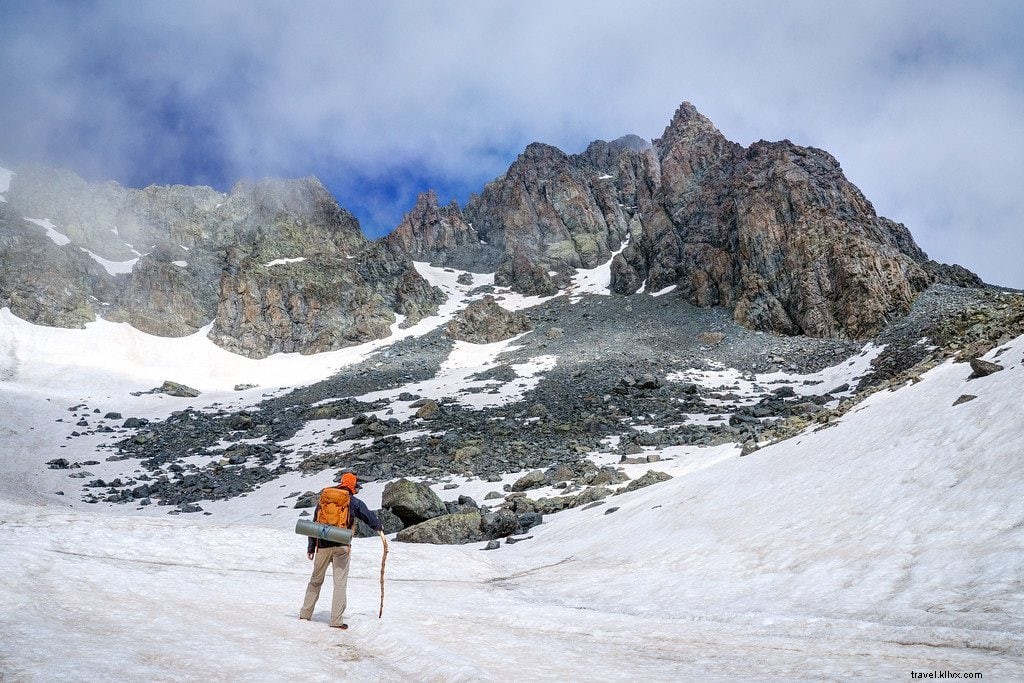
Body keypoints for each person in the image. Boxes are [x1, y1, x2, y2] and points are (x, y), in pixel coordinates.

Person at [299, 472, 382, 629]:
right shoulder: (353, 501)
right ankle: (336, 621)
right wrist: (379, 528)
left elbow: (315, 523)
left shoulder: (325, 498)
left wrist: (311, 547)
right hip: (342, 546)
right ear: (353, 485)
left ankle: (305, 614)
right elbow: (369, 517)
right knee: (339, 584)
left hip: (322, 546)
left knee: (315, 581)